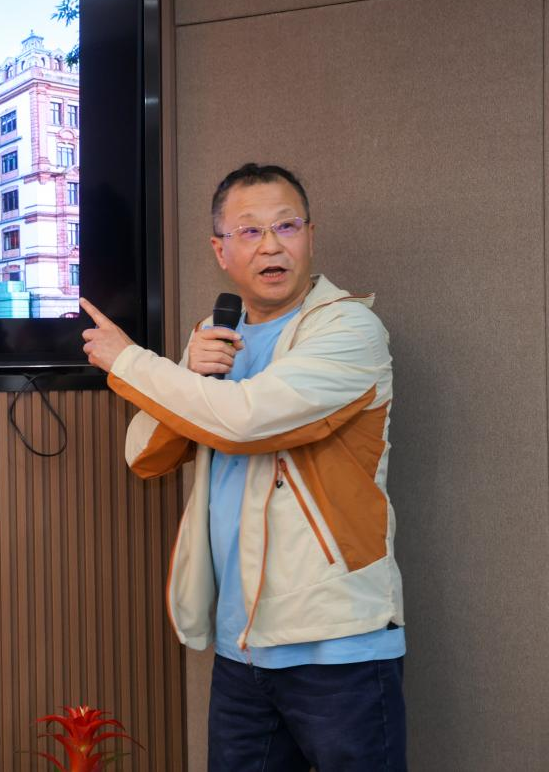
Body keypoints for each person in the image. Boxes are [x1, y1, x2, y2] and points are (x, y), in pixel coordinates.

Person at [79, 163, 406, 771]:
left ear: (310, 235)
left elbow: (245, 421)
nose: (271, 245)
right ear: (220, 251)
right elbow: (145, 454)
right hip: (243, 645)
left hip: (336, 641)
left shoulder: (349, 330)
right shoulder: (216, 334)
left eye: (287, 226)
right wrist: (188, 370)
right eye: (250, 231)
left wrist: (131, 362)